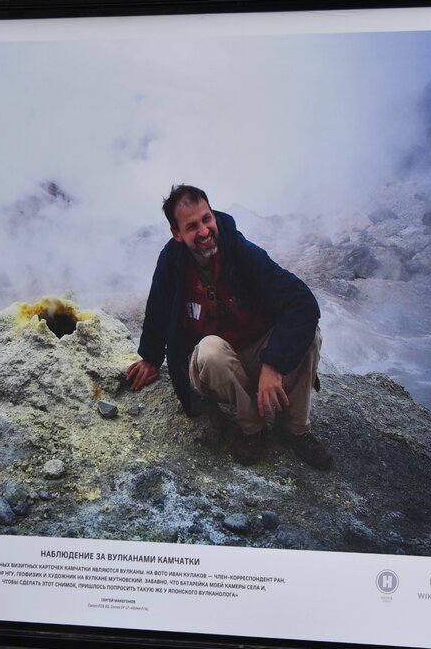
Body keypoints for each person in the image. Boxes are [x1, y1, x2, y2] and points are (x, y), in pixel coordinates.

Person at [125, 184, 333, 469]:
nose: (204, 231)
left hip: (260, 352)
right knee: (210, 351)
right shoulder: (172, 262)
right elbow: (158, 307)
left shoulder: (242, 252)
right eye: (192, 226)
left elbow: (303, 303)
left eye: (206, 219)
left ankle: (295, 428)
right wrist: (150, 357)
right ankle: (253, 428)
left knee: (309, 336)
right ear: (177, 234)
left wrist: (273, 365)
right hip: (218, 366)